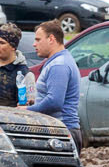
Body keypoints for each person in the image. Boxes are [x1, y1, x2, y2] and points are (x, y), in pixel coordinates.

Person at [28, 19, 83, 150]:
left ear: (51, 39)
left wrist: (27, 111)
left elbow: (54, 102)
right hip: (59, 131)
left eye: (38, 39)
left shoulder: (59, 65)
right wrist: (35, 102)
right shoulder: (58, 61)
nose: (34, 44)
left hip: (62, 132)